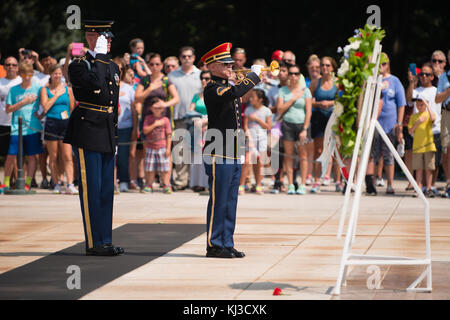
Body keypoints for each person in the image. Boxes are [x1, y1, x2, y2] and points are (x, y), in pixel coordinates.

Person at [63, 20, 124, 256]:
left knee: (106, 189)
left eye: (109, 37)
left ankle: (105, 240)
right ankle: (93, 242)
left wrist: (115, 136)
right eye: (103, 36)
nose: (108, 41)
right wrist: (98, 56)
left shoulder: (112, 65)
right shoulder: (79, 65)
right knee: (91, 189)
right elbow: (95, 84)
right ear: (90, 36)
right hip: (88, 130)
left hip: (107, 131)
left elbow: (113, 103)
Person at [201, 42, 262, 258]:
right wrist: (253, 77)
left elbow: (235, 91)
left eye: (230, 63)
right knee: (219, 199)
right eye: (225, 64)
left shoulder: (226, 85)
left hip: (233, 150)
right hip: (218, 151)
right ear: (213, 67)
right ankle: (214, 243)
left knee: (230, 200)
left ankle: (227, 242)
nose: (230, 66)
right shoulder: (212, 88)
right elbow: (235, 91)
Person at [366, 52, 405, 195]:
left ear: (388, 65)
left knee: (389, 155)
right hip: (374, 123)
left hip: (389, 124)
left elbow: (401, 104)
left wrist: (399, 123)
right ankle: (373, 182)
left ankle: (390, 184)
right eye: (379, 64)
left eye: (384, 64)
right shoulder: (372, 80)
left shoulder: (394, 81)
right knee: (374, 154)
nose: (381, 66)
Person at [1, 62, 43, 192]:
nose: (27, 77)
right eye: (24, 74)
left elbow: (45, 104)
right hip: (16, 128)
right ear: (20, 74)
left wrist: (40, 114)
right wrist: (23, 102)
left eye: (30, 74)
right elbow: (8, 110)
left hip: (32, 127)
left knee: (31, 156)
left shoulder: (38, 88)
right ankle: (6, 183)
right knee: (11, 156)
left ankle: (28, 183)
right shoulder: (14, 90)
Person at [168, 46, 202, 191]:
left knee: (197, 150)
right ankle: (181, 181)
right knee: (180, 151)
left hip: (198, 119)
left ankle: (196, 181)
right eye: (183, 56)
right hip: (179, 117)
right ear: (180, 58)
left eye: (189, 56)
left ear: (194, 58)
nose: (186, 59)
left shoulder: (201, 74)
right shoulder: (172, 75)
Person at [40, 64, 77, 194]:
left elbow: (72, 108)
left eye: (59, 73)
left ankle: (70, 184)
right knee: (53, 156)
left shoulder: (68, 89)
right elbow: (45, 107)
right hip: (51, 123)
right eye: (55, 73)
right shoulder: (45, 89)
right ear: (50, 74)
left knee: (67, 155)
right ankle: (56, 183)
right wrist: (56, 95)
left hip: (65, 123)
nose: (57, 76)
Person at [276, 64, 312, 195]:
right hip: (287, 124)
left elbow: (308, 112)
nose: (293, 76)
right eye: (291, 73)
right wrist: (292, 99)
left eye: (296, 73)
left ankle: (302, 184)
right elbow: (279, 110)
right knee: (289, 155)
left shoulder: (305, 91)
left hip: (301, 125)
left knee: (303, 155)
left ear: (300, 75)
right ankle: (290, 183)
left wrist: (305, 129)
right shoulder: (283, 90)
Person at [406, 62, 441, 195]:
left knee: (433, 163)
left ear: (432, 77)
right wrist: (411, 82)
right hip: (419, 132)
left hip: (435, 129)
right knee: (419, 164)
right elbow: (408, 99)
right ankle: (421, 187)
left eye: (427, 74)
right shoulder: (416, 90)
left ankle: (431, 186)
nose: (424, 77)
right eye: (422, 74)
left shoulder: (437, 90)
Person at [309, 56, 341, 193]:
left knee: (336, 150)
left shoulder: (338, 82)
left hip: (334, 117)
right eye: (322, 65)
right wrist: (318, 104)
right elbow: (307, 100)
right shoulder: (315, 82)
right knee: (318, 150)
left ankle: (338, 180)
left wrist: (331, 103)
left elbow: (344, 100)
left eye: (328, 65)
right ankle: (317, 180)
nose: (324, 68)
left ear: (333, 67)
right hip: (319, 117)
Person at [241, 89, 272, 195]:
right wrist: (248, 138)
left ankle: (258, 184)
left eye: (253, 97)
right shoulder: (248, 110)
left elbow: (268, 126)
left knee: (260, 163)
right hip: (251, 138)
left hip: (262, 139)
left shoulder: (266, 110)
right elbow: (245, 126)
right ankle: (241, 185)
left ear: (260, 99)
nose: (251, 99)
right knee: (247, 161)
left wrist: (257, 119)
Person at [114, 58, 137, 193]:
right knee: (110, 156)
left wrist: (135, 128)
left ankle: (124, 180)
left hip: (125, 126)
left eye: (120, 68)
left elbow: (134, 110)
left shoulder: (129, 89)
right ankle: (111, 181)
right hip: (110, 126)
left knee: (123, 156)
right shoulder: (106, 85)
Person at [142, 97, 172, 193]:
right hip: (150, 147)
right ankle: (149, 185)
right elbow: (145, 130)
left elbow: (169, 135)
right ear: (151, 108)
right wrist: (155, 124)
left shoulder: (166, 120)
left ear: (163, 108)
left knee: (164, 168)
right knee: (150, 168)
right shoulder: (148, 118)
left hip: (162, 147)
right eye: (155, 107)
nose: (157, 109)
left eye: (160, 107)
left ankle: (166, 185)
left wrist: (168, 148)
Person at [408, 95, 437, 197]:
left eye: (422, 105)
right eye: (418, 105)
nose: (419, 106)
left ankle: (429, 188)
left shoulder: (429, 114)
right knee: (418, 169)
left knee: (429, 169)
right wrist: (418, 122)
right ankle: (419, 188)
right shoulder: (414, 117)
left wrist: (427, 106)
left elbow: (433, 118)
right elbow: (410, 131)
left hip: (428, 146)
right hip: (417, 147)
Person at [0, 57, 21, 189]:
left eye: (14, 65)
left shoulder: (21, 82)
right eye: (8, 64)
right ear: (4, 67)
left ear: (17, 67)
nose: (11, 67)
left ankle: (15, 180)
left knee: (14, 154)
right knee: (5, 154)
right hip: (1, 122)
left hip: (17, 123)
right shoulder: (0, 82)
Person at [188, 70, 210, 192]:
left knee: (206, 156)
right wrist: (197, 120)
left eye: (207, 78)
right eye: (202, 78)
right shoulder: (197, 96)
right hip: (197, 126)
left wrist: (206, 122)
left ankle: (206, 183)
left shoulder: (213, 94)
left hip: (210, 127)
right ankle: (197, 183)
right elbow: (190, 111)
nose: (203, 81)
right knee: (196, 157)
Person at [435, 49, 450, 198]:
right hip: (447, 113)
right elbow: (437, 99)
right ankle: (449, 182)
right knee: (447, 151)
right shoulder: (444, 77)